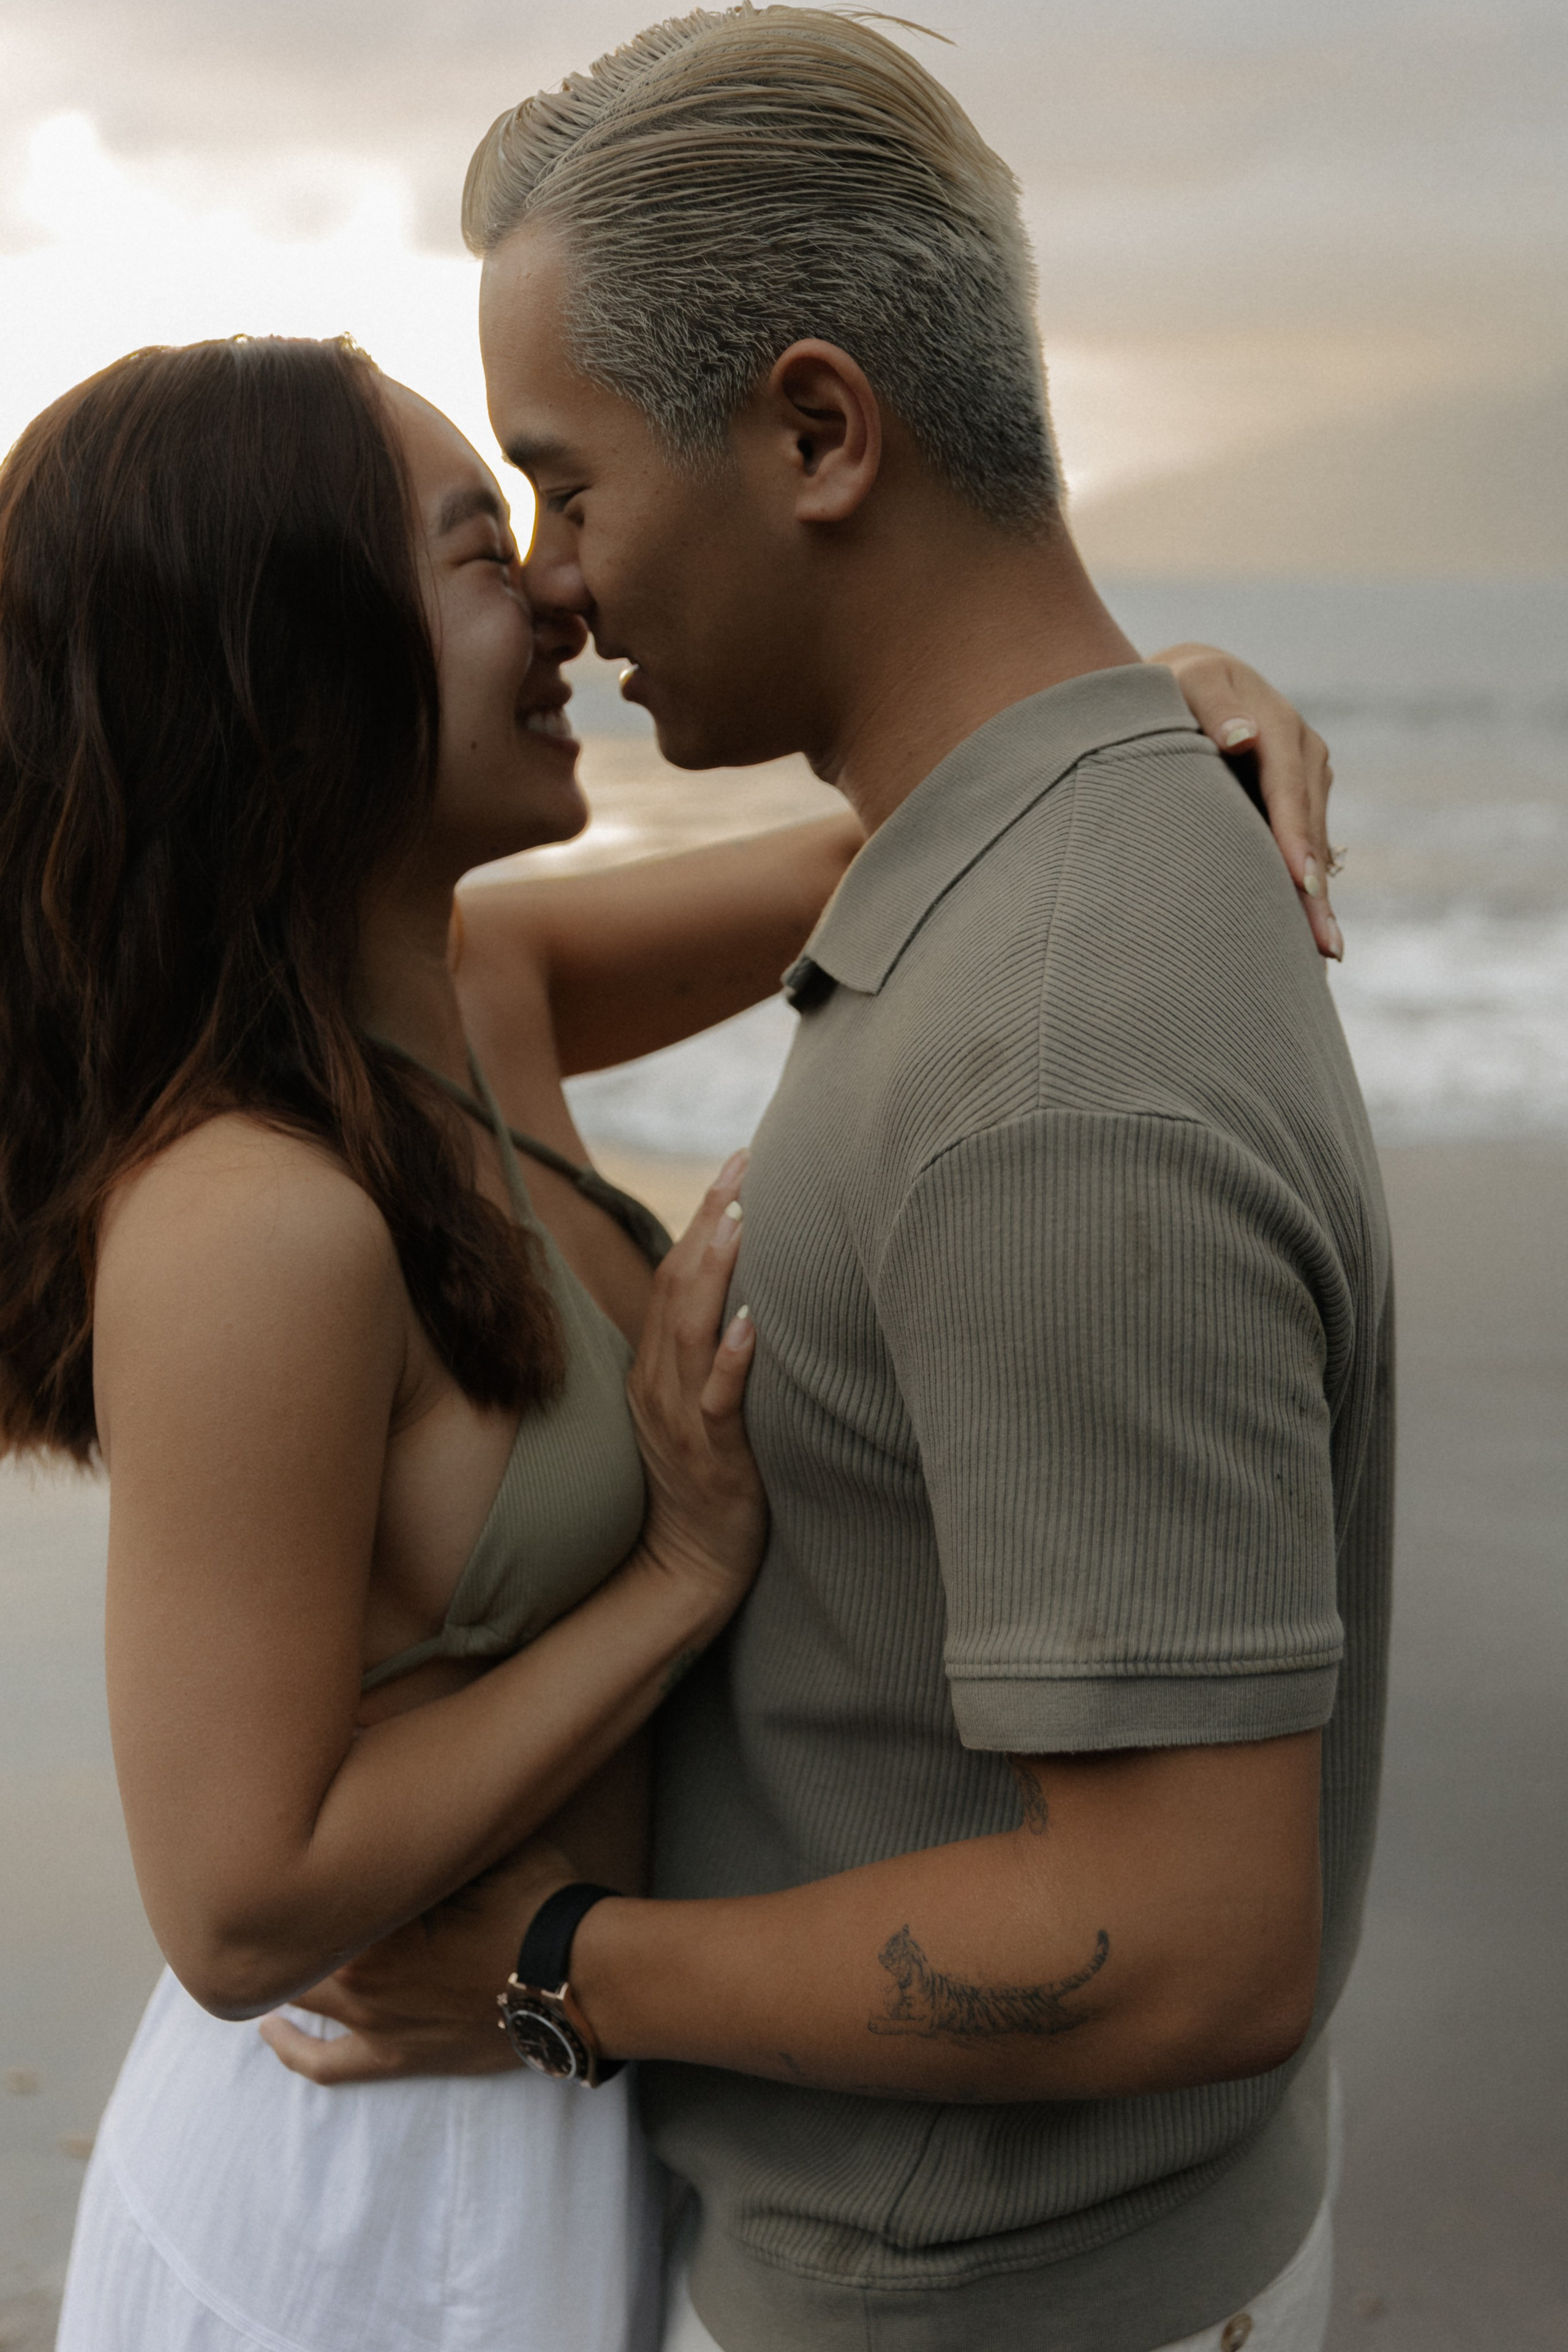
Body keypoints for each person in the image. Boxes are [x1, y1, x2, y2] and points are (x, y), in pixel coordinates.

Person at [0, 334, 1328, 2352]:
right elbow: (237, 1903)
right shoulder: (249, 1217)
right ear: (294, 668)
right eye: (480, 551)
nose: (559, 594)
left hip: (585, 2082)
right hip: (376, 2190)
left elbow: (931, 836)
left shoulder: (486, 984)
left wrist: (1174, 702)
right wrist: (676, 1581)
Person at [267, 14, 1389, 2352]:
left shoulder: (1049, 1068)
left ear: (814, 432)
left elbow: (1190, 1940)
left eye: (565, 484)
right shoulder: (1030, 868)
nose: (558, 586)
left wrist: (558, 1970)